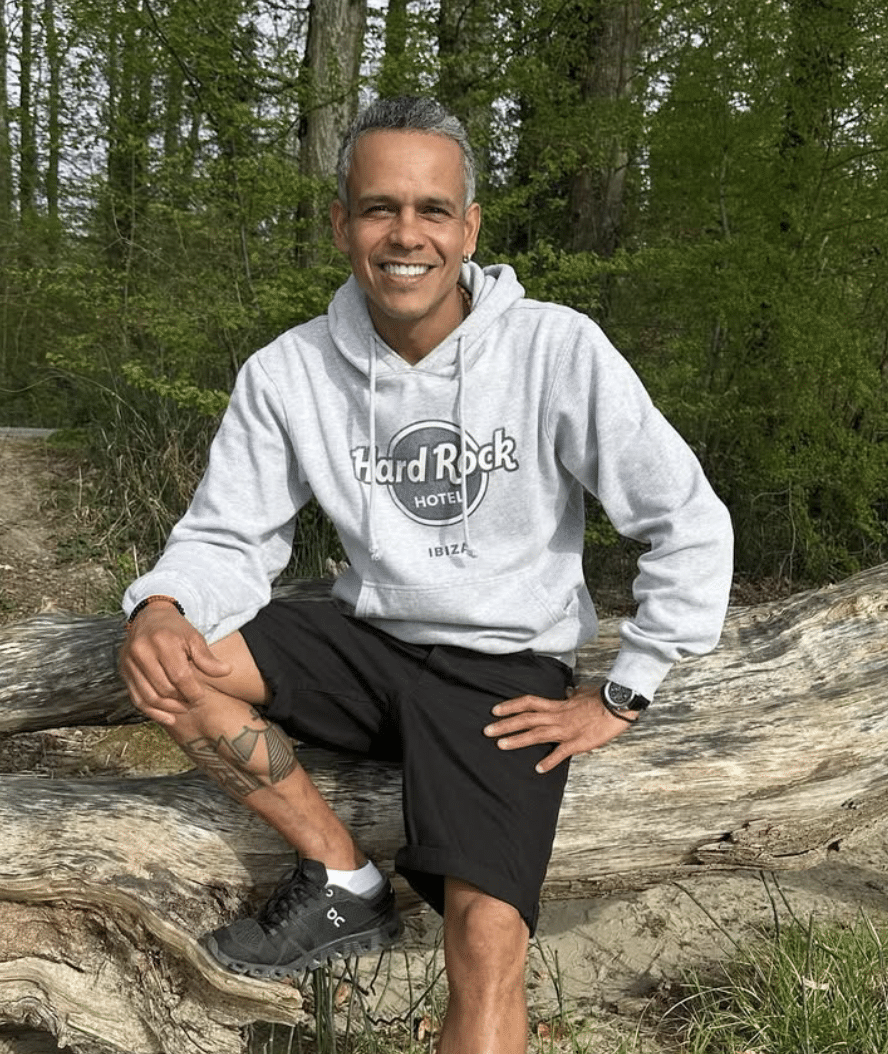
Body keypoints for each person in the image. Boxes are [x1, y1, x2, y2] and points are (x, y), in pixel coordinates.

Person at [119, 95, 733, 1054]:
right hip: (369, 642)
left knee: (485, 946)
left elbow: (686, 520)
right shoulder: (290, 372)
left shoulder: (553, 350)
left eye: (432, 210)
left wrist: (624, 691)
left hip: (502, 674)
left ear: (469, 228)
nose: (406, 235)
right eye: (379, 208)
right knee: (166, 664)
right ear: (342, 225)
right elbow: (228, 535)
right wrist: (162, 604)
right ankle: (342, 876)